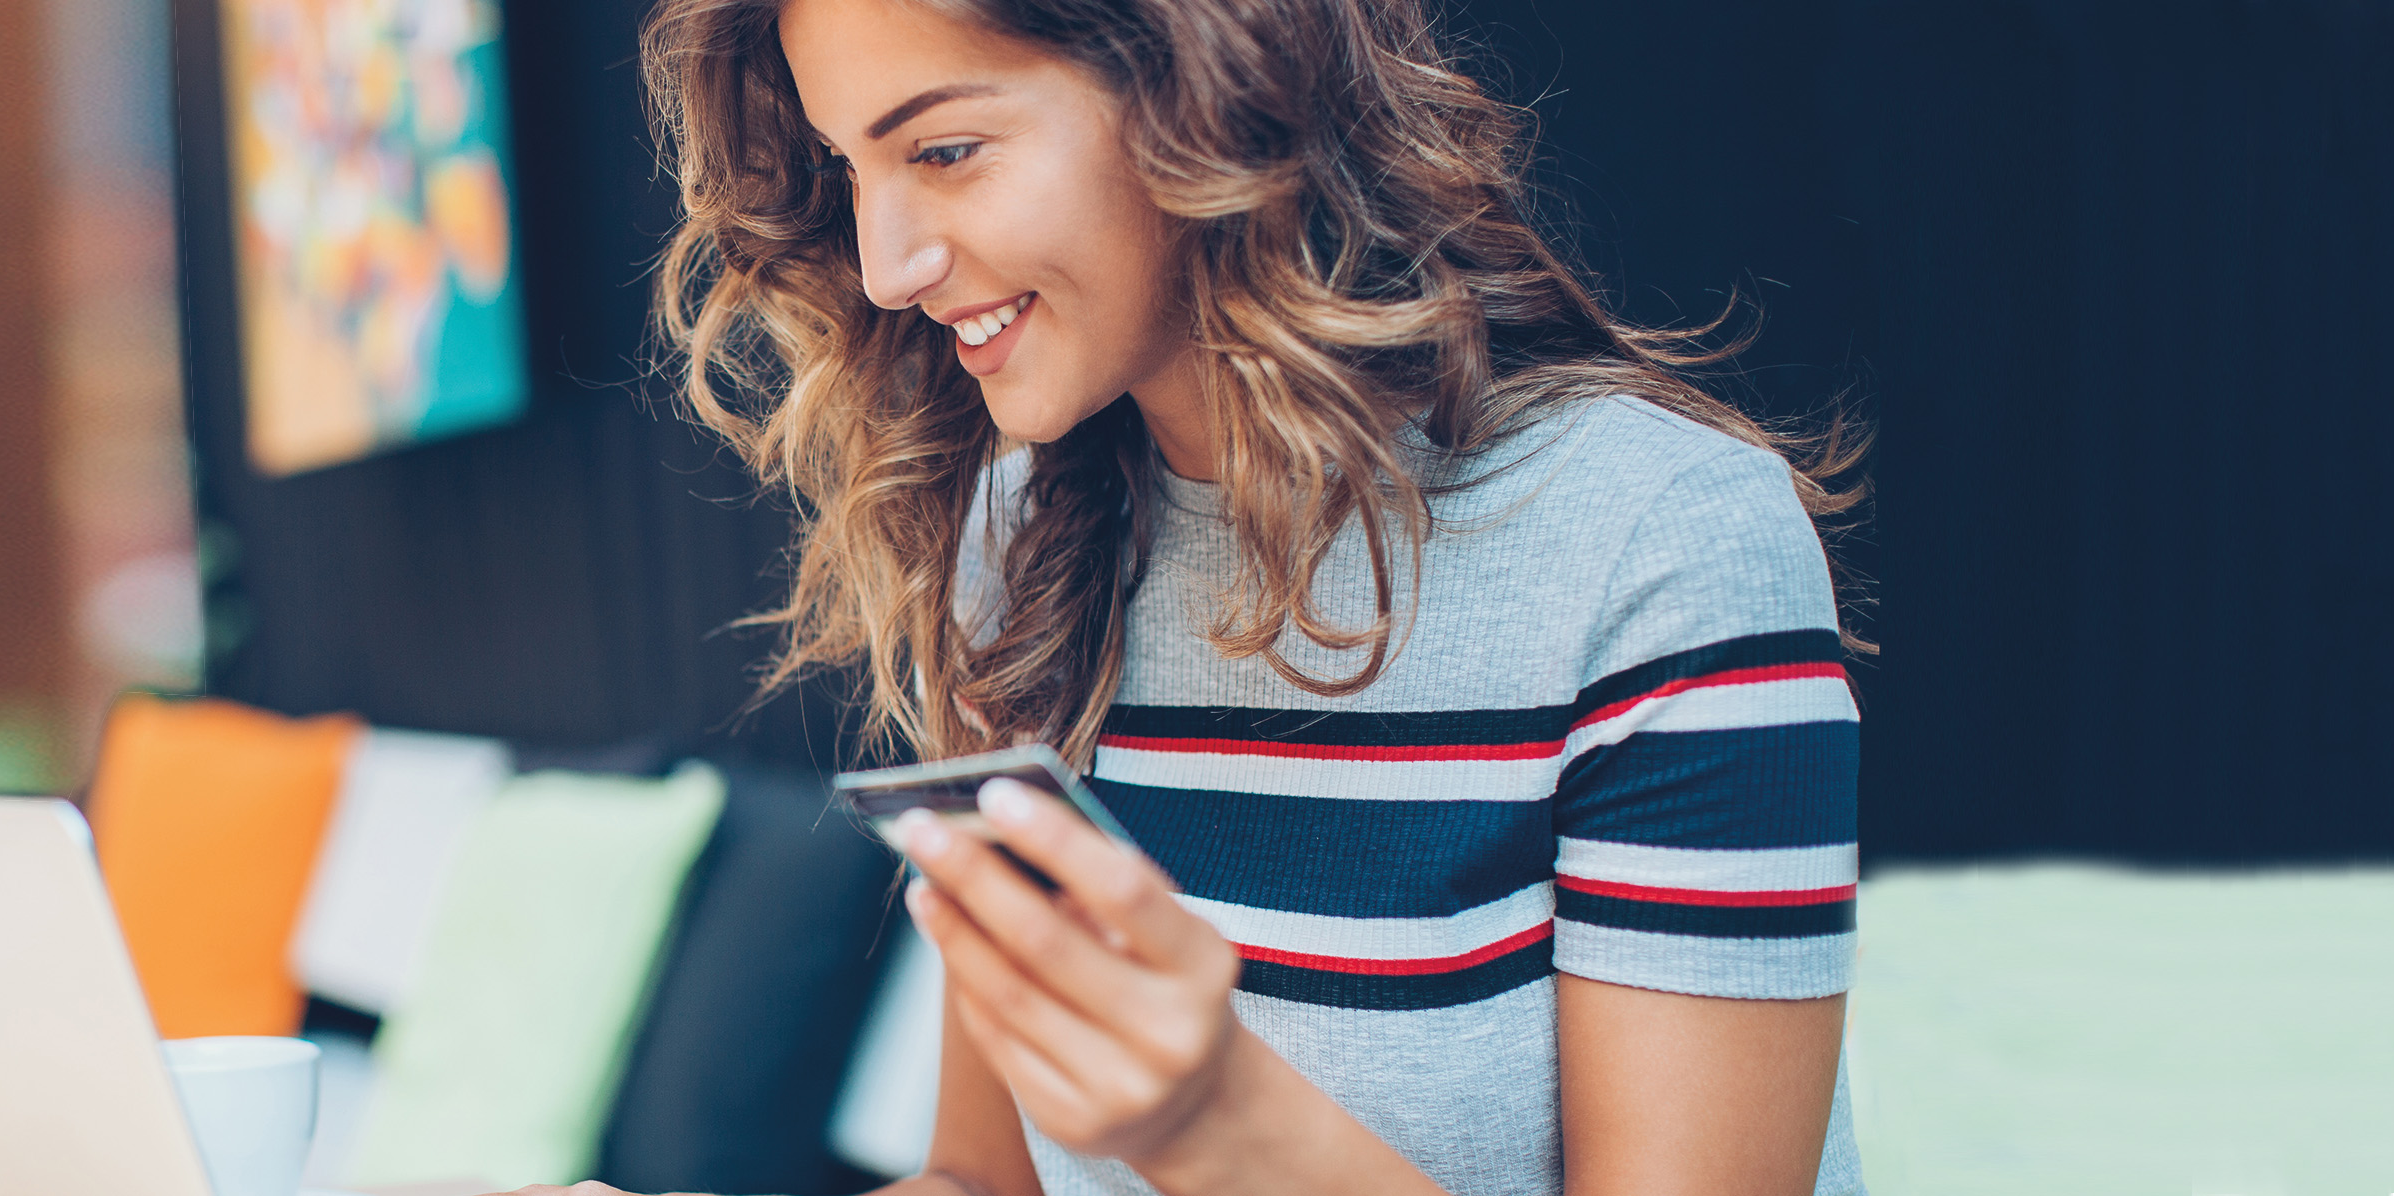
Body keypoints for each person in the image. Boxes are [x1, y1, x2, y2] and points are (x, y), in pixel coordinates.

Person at [582, 0, 1873, 1192]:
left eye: (946, 150)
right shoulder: (1012, 546)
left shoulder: (1657, 540)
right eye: (846, 172)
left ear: (1204, 85)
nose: (885, 265)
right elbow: (986, 1183)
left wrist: (1216, 1126)